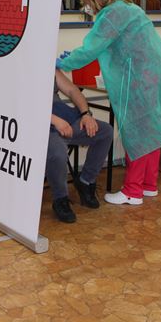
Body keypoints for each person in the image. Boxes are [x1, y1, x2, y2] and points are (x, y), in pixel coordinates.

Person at [58, 0, 161, 206]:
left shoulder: (111, 15)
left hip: (137, 81)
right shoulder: (129, 7)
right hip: (154, 75)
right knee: (153, 131)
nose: (86, 6)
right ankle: (148, 185)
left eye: (86, 1)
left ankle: (132, 191)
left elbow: (91, 49)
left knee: (137, 134)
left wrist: (63, 63)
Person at [47, 69, 114, 223]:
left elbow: (72, 90)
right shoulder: (18, 69)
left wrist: (86, 114)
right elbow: (20, 104)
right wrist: (54, 120)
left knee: (105, 132)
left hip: (64, 116)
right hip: (41, 123)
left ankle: (85, 181)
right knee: (58, 152)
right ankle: (60, 199)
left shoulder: (50, 67)